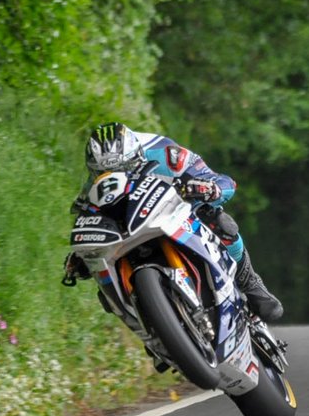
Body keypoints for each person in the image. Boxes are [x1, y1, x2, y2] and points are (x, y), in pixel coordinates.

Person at [67, 122, 283, 322]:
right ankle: (152, 330)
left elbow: (222, 181)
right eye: (103, 173)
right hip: (131, 232)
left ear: (137, 155)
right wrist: (82, 255)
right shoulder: (93, 187)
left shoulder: (165, 153)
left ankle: (251, 283)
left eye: (124, 169)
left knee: (220, 222)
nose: (114, 176)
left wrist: (209, 188)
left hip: (177, 211)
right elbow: (89, 220)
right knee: (105, 291)